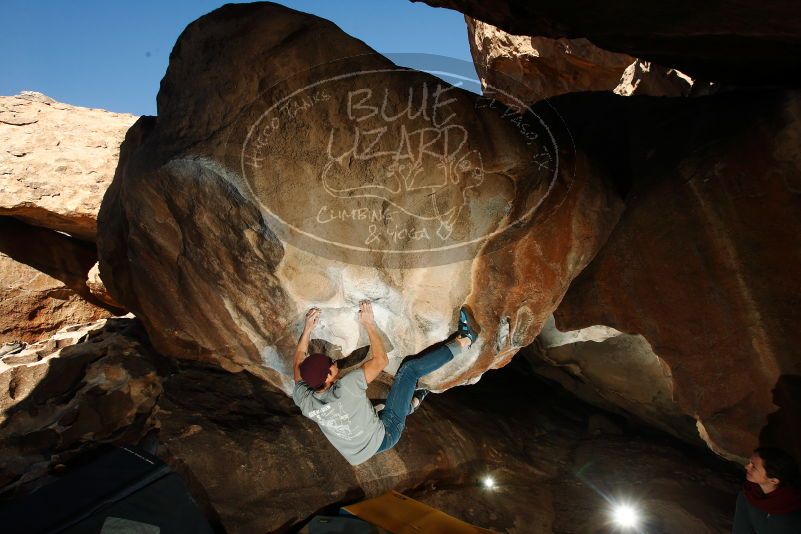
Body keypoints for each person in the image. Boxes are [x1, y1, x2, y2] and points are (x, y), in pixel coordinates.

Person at [291, 300, 479, 466]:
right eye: (330, 364)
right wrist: (369, 324)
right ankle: (466, 339)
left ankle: (412, 403)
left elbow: (299, 362)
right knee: (409, 370)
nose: (333, 361)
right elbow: (381, 360)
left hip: (356, 450)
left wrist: (307, 328)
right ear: (327, 378)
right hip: (386, 433)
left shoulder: (305, 400)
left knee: (378, 404)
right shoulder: (347, 387)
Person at [732, 446, 801, 533]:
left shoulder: (792, 513)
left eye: (753, 467)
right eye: (750, 462)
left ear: (774, 480)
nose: (746, 467)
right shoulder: (748, 495)